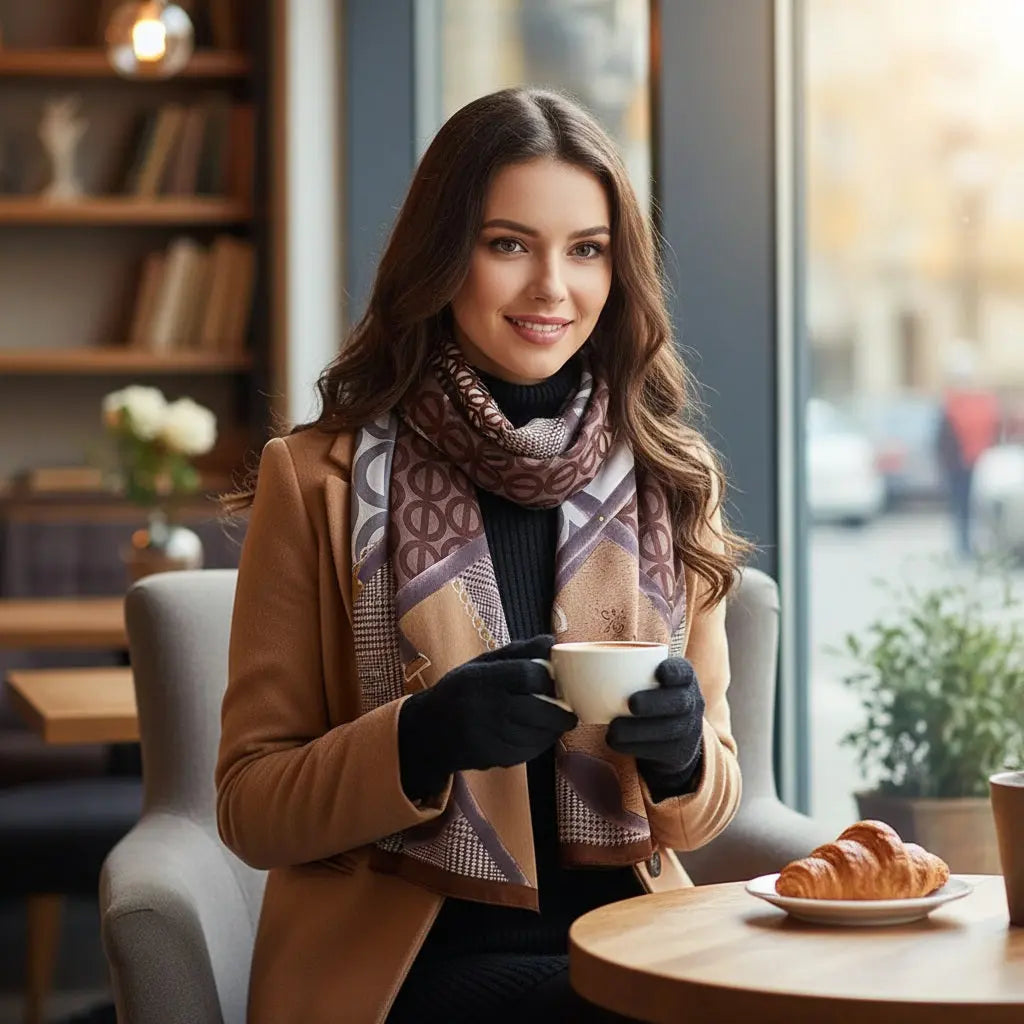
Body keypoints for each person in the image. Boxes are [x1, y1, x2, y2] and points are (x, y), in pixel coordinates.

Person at [216, 87, 747, 1024]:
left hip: (629, 940)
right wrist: (421, 738)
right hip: (403, 965)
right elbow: (252, 807)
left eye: (586, 250)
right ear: (442, 256)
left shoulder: (668, 476)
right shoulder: (315, 479)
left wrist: (680, 759)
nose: (554, 287)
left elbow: (703, 815)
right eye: (510, 244)